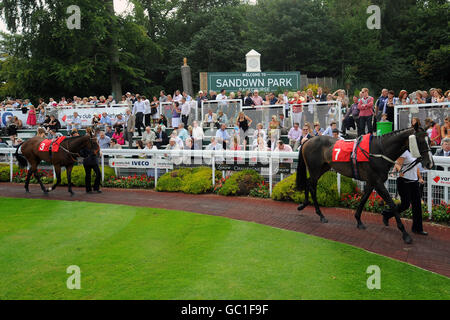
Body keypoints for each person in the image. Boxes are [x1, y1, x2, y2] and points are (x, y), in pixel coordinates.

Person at [382, 150, 427, 236]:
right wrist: (400, 171)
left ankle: (417, 228)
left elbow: (415, 167)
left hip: (414, 182)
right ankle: (387, 214)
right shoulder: (404, 152)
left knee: (417, 205)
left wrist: (420, 177)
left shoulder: (416, 152)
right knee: (405, 205)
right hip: (403, 181)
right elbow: (398, 164)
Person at [80, 129, 102, 194]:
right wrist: (86, 156)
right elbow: (81, 152)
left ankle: (96, 188)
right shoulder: (83, 144)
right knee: (88, 175)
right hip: (87, 161)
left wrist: (97, 153)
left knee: (98, 174)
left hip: (94, 161)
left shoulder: (94, 143)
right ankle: (88, 189)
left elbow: (97, 149)